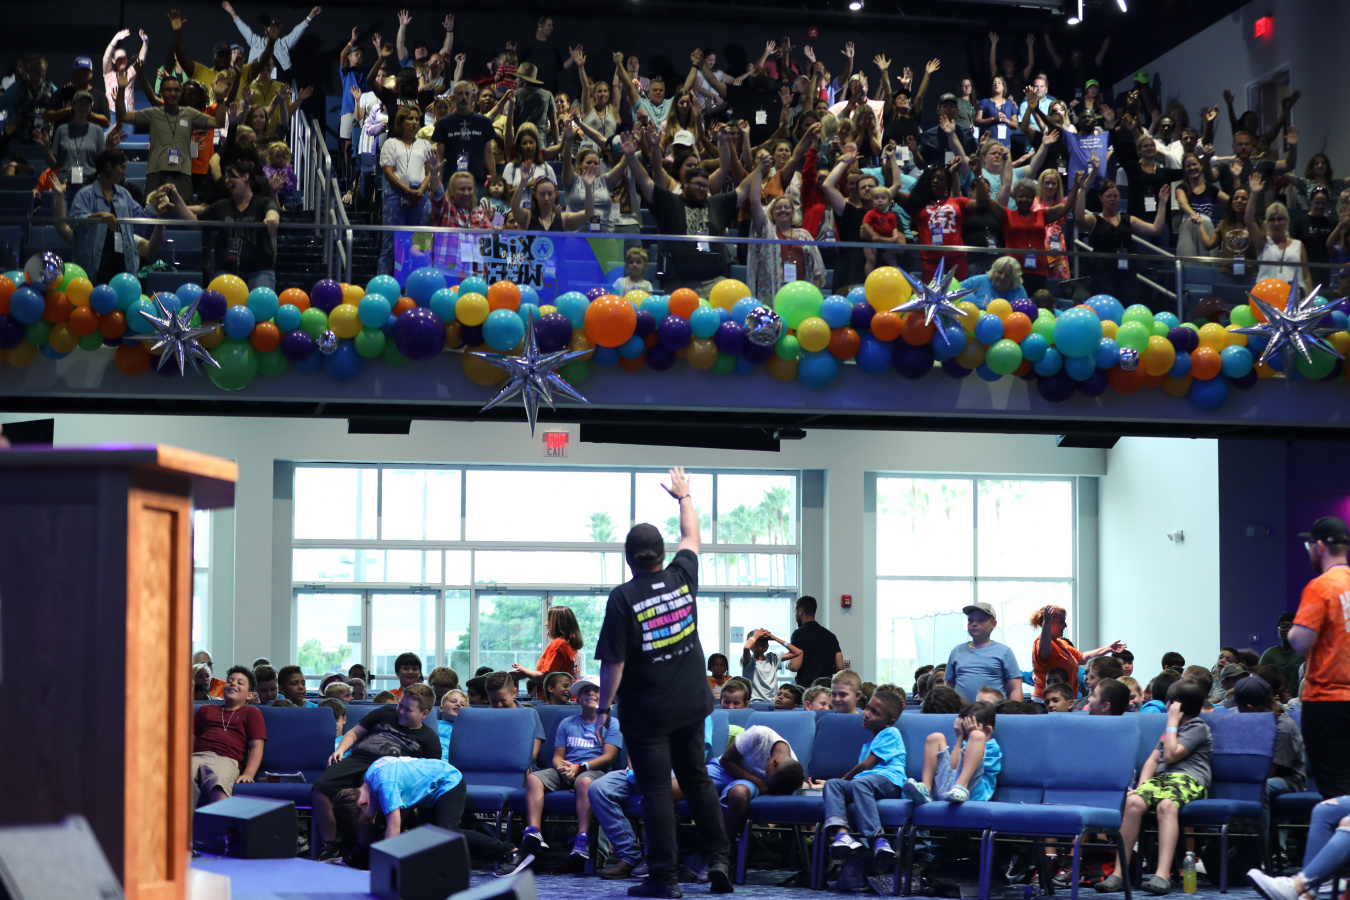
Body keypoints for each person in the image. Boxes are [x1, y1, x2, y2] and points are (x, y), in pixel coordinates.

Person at [594, 467, 733, 897]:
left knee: (656, 791)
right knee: (697, 780)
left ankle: (663, 879)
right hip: (691, 704)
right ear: (661, 553)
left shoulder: (623, 597)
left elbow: (614, 663)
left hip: (648, 714)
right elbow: (692, 537)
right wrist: (684, 496)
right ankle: (718, 861)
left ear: (628, 557)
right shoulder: (681, 576)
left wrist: (603, 709)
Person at [1095, 679, 1212, 896]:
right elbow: (1153, 760)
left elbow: (1171, 754)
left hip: (1189, 780)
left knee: (1166, 806)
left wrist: (1172, 723)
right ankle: (1119, 874)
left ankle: (1162, 875)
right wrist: (1141, 789)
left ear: (1176, 706)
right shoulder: (1170, 730)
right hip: (1162, 781)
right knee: (1132, 802)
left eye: (1169, 703)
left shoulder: (1197, 727)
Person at [311, 684, 441, 862]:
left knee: (368, 802)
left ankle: (361, 848)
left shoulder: (429, 738)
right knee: (320, 788)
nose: (401, 711)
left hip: (388, 772)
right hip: (359, 760)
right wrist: (340, 750)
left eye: (408, 710)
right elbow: (354, 733)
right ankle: (330, 845)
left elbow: (429, 773)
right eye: (400, 705)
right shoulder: (385, 713)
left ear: (424, 714)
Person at [332, 755, 520, 870]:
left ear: (362, 803)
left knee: (448, 832)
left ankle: (510, 851)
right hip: (427, 792)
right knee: (423, 835)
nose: (371, 820)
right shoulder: (370, 776)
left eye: (367, 818)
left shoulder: (384, 785)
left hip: (448, 781)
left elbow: (393, 829)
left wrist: (381, 870)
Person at [519, 675, 622, 861]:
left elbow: (608, 757)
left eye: (596, 691)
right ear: (578, 699)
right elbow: (557, 757)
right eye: (585, 691)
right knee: (534, 778)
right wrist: (563, 769)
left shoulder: (612, 723)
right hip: (566, 770)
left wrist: (579, 768)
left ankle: (582, 837)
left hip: (594, 772)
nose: (591, 693)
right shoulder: (567, 723)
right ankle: (534, 832)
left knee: (584, 782)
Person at [1289, 516, 1350, 799]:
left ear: (1320, 546)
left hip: (1328, 702)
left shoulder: (1321, 587)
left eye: (1309, 545)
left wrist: (1292, 631)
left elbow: (1300, 641)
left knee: (1336, 793)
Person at [114, 65, 227, 197]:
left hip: (183, 174)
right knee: (153, 208)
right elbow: (122, 116)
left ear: (180, 93)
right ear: (161, 92)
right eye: (168, 90)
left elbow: (219, 122)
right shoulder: (153, 114)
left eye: (176, 90)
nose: (172, 93)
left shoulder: (190, 114)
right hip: (156, 173)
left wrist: (220, 99)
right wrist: (122, 88)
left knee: (184, 209)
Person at [823, 690, 907, 866]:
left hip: (889, 782)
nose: (867, 714)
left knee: (857, 783)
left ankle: (877, 839)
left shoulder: (891, 732)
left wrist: (845, 778)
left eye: (875, 712)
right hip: (866, 784)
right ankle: (842, 834)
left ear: (889, 722)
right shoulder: (872, 742)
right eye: (868, 708)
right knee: (832, 784)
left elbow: (867, 765)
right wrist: (842, 782)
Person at [164, 160, 278, 290]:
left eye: (232, 176)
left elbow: (272, 211)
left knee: (262, 300)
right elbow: (194, 223)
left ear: (246, 177)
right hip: (226, 270)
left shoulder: (262, 202)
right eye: (226, 177)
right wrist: (176, 198)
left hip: (259, 271)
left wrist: (271, 218)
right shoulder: (221, 206)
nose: (227, 181)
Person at [62, 150, 164, 283]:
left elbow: (140, 219)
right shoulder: (85, 194)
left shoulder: (124, 195)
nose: (125, 172)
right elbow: (75, 223)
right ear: (109, 167)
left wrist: (155, 200)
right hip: (96, 264)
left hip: (123, 262)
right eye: (122, 167)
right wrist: (98, 216)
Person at [707, 723, 804, 846]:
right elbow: (726, 761)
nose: (765, 774)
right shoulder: (759, 735)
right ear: (775, 762)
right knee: (687, 783)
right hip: (724, 769)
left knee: (739, 794)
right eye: (767, 774)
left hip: (747, 782)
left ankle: (723, 848)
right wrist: (759, 782)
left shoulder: (791, 772)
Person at [191, 665, 266, 808]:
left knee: (219, 784)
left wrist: (248, 774)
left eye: (240, 682)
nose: (233, 684)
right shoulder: (205, 709)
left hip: (225, 759)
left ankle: (218, 822)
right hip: (197, 756)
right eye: (230, 681)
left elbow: (256, 747)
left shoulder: (251, 712)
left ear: (250, 695)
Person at [903, 700, 1001, 804]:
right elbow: (954, 767)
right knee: (935, 737)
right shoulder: (964, 742)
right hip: (951, 791)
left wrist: (974, 734)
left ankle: (961, 786)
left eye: (968, 731)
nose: (967, 735)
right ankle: (926, 789)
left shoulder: (991, 746)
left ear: (988, 730)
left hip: (973, 791)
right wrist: (960, 737)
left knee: (978, 735)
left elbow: (970, 769)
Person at [1029, 605, 1126, 704]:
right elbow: (1045, 651)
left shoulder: (1062, 643)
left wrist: (1108, 649)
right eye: (1061, 622)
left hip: (1064, 699)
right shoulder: (1040, 642)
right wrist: (1046, 622)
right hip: (1046, 700)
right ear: (1049, 623)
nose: (1065, 626)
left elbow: (1082, 658)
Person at [946, 602, 1024, 704]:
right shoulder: (956, 651)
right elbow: (949, 686)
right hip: (962, 711)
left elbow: (1015, 688)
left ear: (993, 624)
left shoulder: (1004, 652)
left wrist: (1014, 711)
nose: (974, 624)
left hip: (993, 710)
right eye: (970, 620)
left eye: (981, 620)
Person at [1247, 171, 1312, 294]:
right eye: (1272, 220)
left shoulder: (1298, 245)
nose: (1276, 223)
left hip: (1294, 296)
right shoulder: (1262, 243)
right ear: (1267, 223)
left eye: (1280, 219)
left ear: (1287, 220)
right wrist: (1254, 194)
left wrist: (1309, 299)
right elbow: (1249, 220)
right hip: (1266, 295)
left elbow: (1306, 276)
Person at [432, 80, 497, 190]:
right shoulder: (444, 123)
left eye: (467, 94)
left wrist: (494, 182)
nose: (463, 97)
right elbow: (440, 157)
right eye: (460, 94)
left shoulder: (484, 122)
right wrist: (439, 186)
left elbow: (488, 154)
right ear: (453, 98)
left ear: (473, 97)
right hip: (450, 181)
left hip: (477, 182)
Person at [512, 606, 584, 701]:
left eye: (549, 619)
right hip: (570, 700)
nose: (546, 623)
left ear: (557, 623)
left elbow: (547, 678)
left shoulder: (558, 645)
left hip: (557, 702)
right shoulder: (569, 646)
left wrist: (524, 672)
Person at [787, 596, 845, 688]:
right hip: (826, 689)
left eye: (795, 611)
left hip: (807, 689)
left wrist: (787, 665)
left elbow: (795, 666)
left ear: (800, 611)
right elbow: (840, 667)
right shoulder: (830, 636)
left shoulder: (798, 634)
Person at [740, 628, 800, 703]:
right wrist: (757, 635)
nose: (765, 643)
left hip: (773, 702)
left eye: (766, 641)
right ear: (753, 644)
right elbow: (746, 647)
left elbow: (797, 652)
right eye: (761, 640)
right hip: (755, 702)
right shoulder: (749, 661)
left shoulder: (772, 658)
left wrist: (774, 638)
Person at [1259, 612, 1305, 698]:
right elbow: (1258, 676)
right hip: (1273, 699)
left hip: (1298, 700)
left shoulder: (1304, 653)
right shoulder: (1270, 653)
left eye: (1289, 626)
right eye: (1282, 626)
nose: (1285, 629)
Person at [437, 688, 468, 761]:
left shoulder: (465, 730)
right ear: (441, 708)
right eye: (453, 701)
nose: (458, 704)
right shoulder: (433, 724)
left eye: (462, 704)